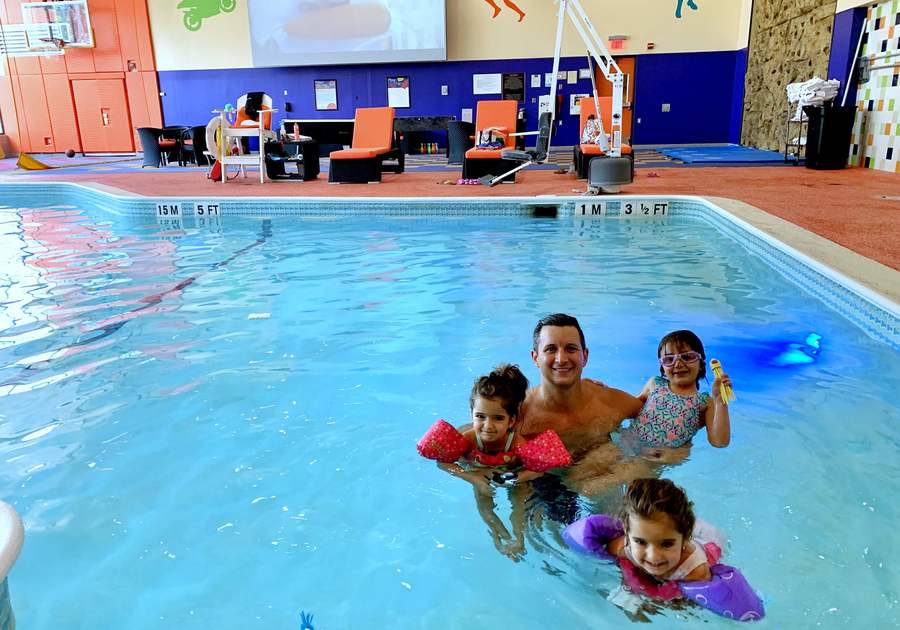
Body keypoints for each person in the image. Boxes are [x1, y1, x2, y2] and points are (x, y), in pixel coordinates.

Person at [419, 364, 571, 559]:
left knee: (520, 500)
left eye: (498, 418)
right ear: (471, 414)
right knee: (484, 501)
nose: (488, 426)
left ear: (511, 421)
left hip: (510, 473)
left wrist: (515, 478)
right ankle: (497, 534)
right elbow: (443, 463)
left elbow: (536, 469)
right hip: (479, 472)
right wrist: (472, 477)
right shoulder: (469, 439)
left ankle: (519, 538)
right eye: (480, 417)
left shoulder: (516, 442)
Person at [564, 478, 766, 619]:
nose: (652, 556)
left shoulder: (695, 571)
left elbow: (689, 601)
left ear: (684, 538)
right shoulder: (625, 545)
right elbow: (625, 566)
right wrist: (632, 588)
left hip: (705, 540)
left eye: (666, 544)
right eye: (641, 542)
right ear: (627, 532)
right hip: (669, 529)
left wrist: (660, 602)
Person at [519, 313, 644, 498]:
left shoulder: (608, 402)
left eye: (570, 349)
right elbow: (474, 438)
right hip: (544, 484)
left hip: (600, 481)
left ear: (584, 356)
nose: (561, 359)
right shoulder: (520, 413)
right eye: (551, 349)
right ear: (535, 357)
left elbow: (656, 414)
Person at [623, 330, 731, 463]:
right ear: (662, 366)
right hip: (622, 443)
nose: (678, 364)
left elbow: (719, 442)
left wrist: (721, 403)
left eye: (687, 357)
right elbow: (626, 409)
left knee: (606, 482)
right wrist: (602, 390)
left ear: (701, 362)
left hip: (651, 459)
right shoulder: (655, 384)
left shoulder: (705, 402)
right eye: (669, 359)